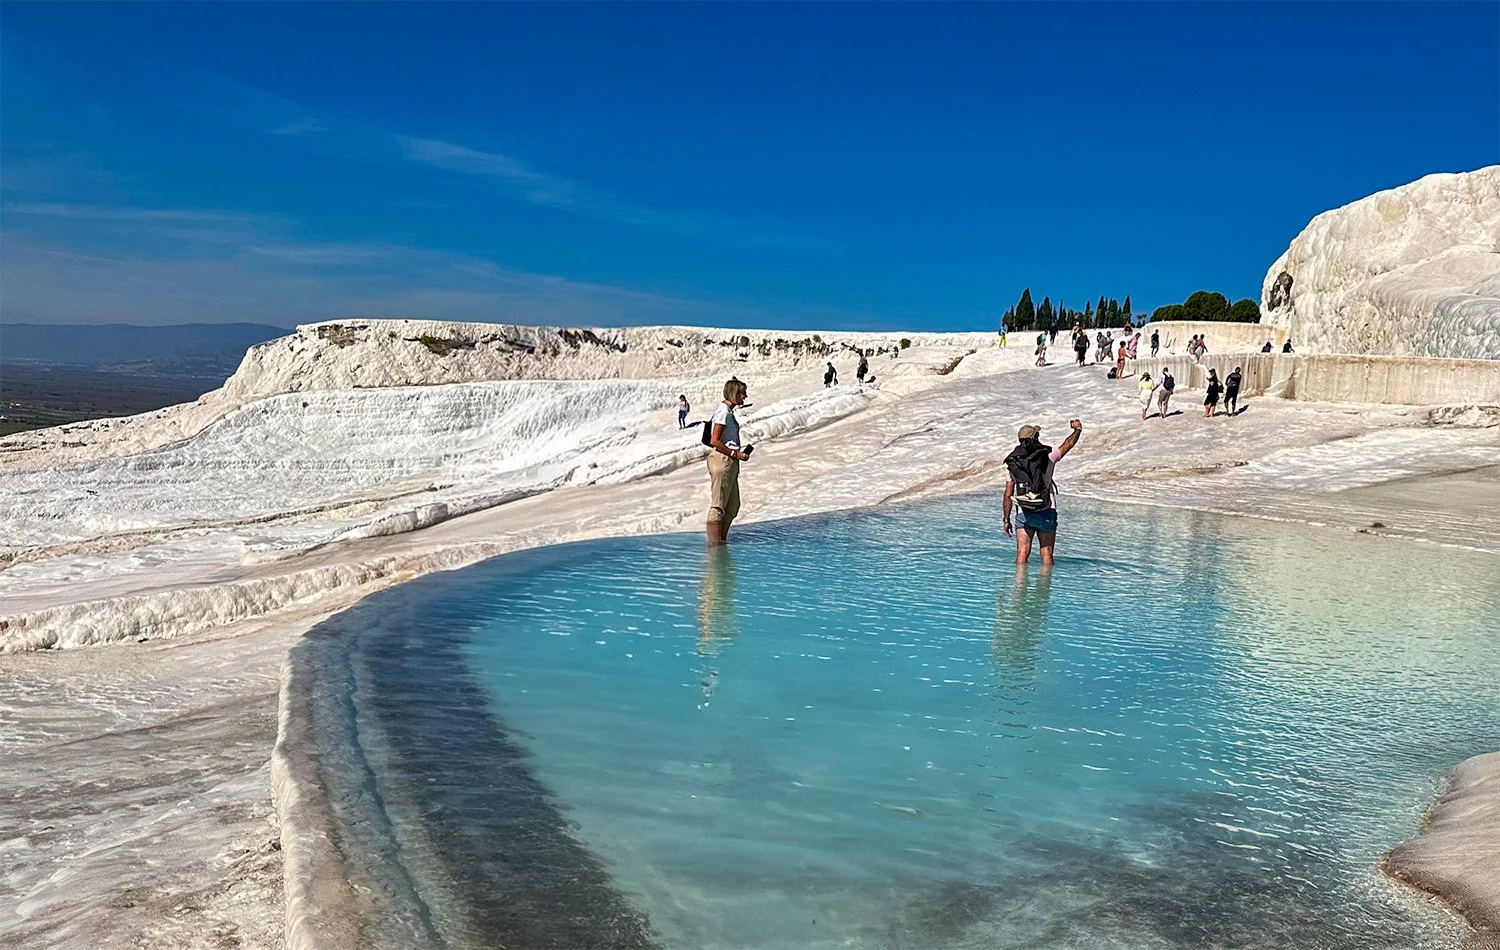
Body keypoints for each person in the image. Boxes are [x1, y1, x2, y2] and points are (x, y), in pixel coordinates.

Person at [1003, 419, 1083, 567]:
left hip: (1024, 512)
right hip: (1046, 510)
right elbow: (1068, 444)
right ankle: (1045, 589)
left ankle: (1019, 587)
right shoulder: (1048, 455)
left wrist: (1006, 520)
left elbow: (1008, 495)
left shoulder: (1014, 462)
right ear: (1036, 438)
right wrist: (1077, 430)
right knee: (1046, 555)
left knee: (1022, 554)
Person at [706, 378, 753, 545]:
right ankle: (714, 545)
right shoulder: (723, 412)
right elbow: (715, 440)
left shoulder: (728, 411)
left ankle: (721, 540)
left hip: (730, 460)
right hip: (723, 459)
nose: (745, 396)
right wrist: (735, 453)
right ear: (734, 393)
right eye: (742, 393)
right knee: (718, 505)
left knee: (733, 505)